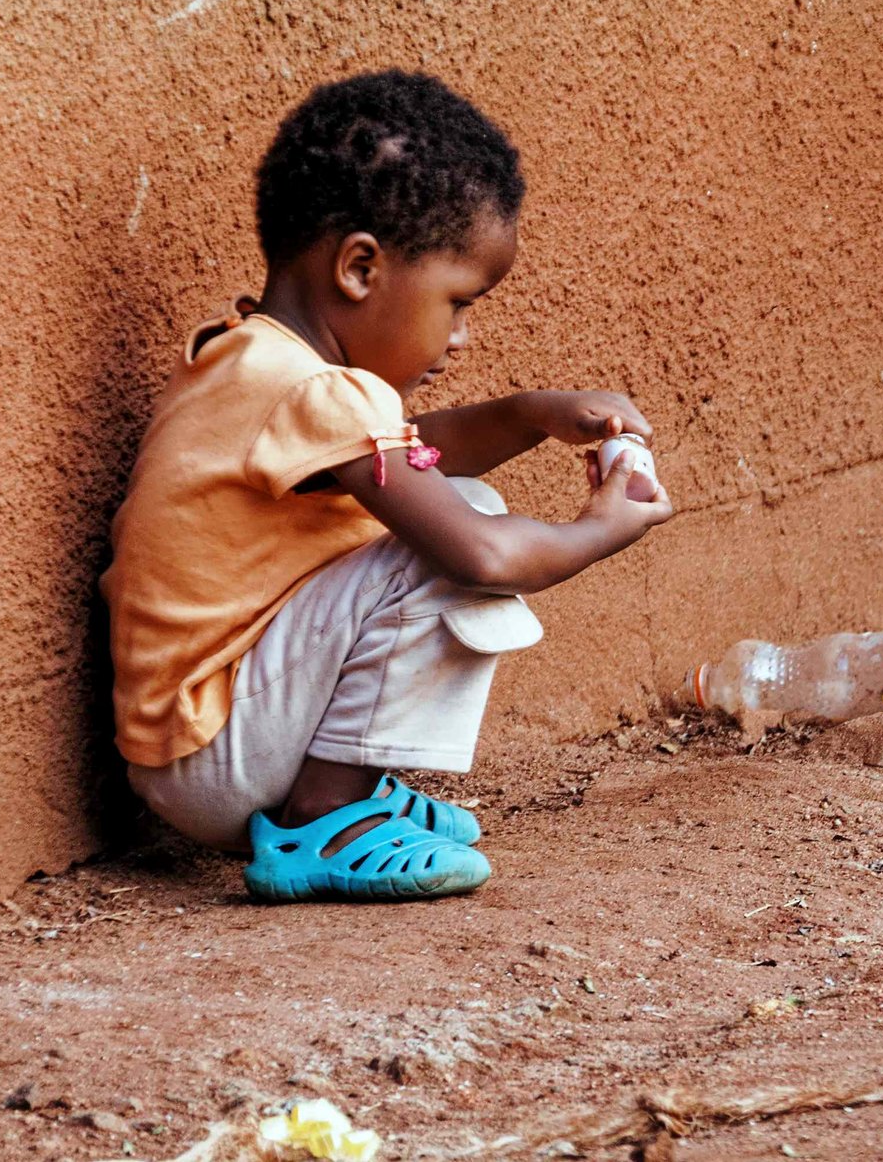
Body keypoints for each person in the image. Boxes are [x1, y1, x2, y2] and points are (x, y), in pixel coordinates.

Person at [106, 70, 675, 901]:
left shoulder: (254, 360)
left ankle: (349, 788)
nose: (463, 337)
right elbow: (476, 554)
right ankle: (323, 818)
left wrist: (526, 415)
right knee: (451, 539)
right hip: (217, 757)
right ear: (361, 268)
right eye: (458, 302)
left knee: (446, 509)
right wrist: (600, 529)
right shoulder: (313, 391)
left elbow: (413, 459)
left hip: (199, 744)